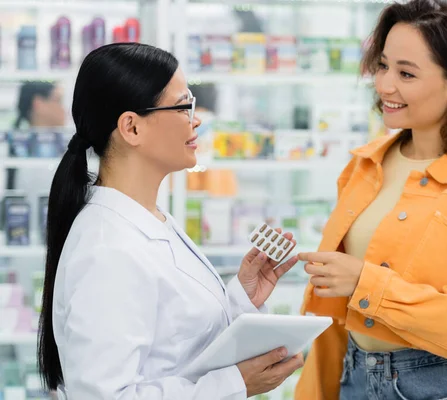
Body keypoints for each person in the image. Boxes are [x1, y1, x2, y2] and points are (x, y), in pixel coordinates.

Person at [294, 1, 447, 399]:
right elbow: (335, 310)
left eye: (406, 73)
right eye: (383, 65)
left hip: (439, 385)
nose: (385, 84)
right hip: (351, 376)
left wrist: (367, 284)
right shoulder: (364, 165)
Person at [37, 43, 303, 400]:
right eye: (183, 106)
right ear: (131, 127)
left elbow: (178, 346)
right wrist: (235, 383)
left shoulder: (149, 219)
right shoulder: (107, 248)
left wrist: (241, 299)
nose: (196, 119)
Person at [6, 81, 66, 190]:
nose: (64, 109)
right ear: (38, 104)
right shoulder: (16, 149)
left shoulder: (68, 145)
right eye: (58, 101)